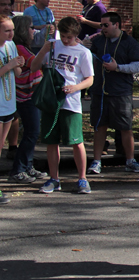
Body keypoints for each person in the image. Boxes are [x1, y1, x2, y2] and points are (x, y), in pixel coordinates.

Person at [30, 17, 94, 194]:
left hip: (71, 102)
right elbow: (34, 66)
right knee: (51, 141)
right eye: (63, 36)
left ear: (76, 35)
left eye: (69, 37)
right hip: (51, 100)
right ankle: (54, 178)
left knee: (76, 141)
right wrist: (44, 49)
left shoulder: (82, 52)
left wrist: (75, 87)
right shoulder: (52, 46)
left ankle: (82, 178)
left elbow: (90, 79)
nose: (65, 40)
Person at [83, 12, 139, 175]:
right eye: (101, 25)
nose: (102, 28)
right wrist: (84, 47)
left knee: (126, 127)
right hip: (100, 91)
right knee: (99, 126)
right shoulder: (98, 41)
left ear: (116, 25)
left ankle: (130, 161)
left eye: (105, 25)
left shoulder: (129, 42)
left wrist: (117, 68)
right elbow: (87, 58)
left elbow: (137, 67)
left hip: (121, 91)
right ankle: (96, 161)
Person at [8, 16, 46, 183]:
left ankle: (27, 165)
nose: (33, 31)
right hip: (26, 95)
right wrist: (46, 49)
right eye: (31, 27)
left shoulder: (23, 47)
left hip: (31, 94)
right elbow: (35, 64)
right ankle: (18, 169)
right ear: (23, 29)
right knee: (31, 132)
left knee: (33, 132)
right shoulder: (19, 48)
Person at [0, 17, 25, 204]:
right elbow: (6, 68)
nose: (11, 34)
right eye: (7, 30)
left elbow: (17, 72)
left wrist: (19, 64)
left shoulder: (11, 46)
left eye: (12, 30)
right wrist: (8, 65)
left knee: (0, 147)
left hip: (8, 102)